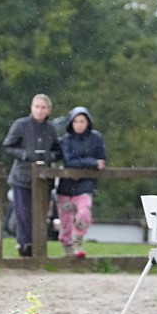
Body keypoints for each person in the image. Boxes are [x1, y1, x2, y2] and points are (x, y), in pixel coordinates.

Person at [2, 94, 61, 257]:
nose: (39, 110)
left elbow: (58, 150)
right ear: (31, 107)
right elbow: (7, 146)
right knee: (23, 213)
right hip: (22, 176)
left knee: (41, 214)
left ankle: (39, 246)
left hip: (44, 178)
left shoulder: (51, 129)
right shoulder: (20, 125)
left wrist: (49, 156)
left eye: (43, 107)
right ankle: (24, 245)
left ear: (48, 110)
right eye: (37, 107)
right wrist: (25, 154)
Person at [56, 106, 107, 258]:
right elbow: (69, 161)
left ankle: (78, 239)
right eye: (76, 121)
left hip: (85, 184)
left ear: (88, 122)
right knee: (66, 219)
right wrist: (91, 162)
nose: (79, 124)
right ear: (71, 123)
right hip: (66, 185)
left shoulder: (96, 138)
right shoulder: (66, 140)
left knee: (84, 212)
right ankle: (67, 246)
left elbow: (102, 159)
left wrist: (90, 163)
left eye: (82, 121)